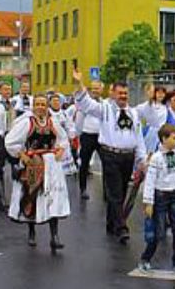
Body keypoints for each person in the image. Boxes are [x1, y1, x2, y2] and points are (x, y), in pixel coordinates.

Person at [73, 68, 146, 243]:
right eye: (120, 93)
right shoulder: (104, 108)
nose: (123, 96)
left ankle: (112, 223)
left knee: (120, 190)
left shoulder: (133, 113)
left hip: (127, 156)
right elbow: (86, 104)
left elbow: (139, 138)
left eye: (126, 93)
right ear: (112, 93)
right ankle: (122, 228)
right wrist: (79, 83)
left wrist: (141, 160)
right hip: (110, 155)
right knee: (115, 193)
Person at [5, 93, 70, 249]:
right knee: (32, 196)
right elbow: (10, 141)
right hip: (33, 164)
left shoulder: (53, 122)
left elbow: (64, 139)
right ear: (33, 107)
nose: (41, 107)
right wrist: (21, 154)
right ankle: (31, 232)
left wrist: (61, 150)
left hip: (52, 164)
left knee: (52, 198)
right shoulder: (27, 123)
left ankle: (54, 236)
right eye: (38, 104)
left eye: (43, 104)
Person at [136, 124, 175, 277]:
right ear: (164, 139)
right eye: (174, 138)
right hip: (160, 197)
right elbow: (150, 181)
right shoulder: (156, 158)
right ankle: (145, 259)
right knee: (158, 233)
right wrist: (148, 202)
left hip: (173, 196)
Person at [74, 80, 104, 200]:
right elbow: (79, 120)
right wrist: (78, 134)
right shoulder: (85, 104)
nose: (95, 90)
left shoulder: (105, 104)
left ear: (102, 89)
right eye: (93, 88)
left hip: (101, 137)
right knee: (84, 164)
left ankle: (107, 191)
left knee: (106, 164)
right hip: (87, 135)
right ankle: (83, 189)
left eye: (97, 88)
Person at [48, 93, 77, 176]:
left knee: (63, 172)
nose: (56, 103)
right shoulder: (47, 113)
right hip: (52, 143)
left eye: (58, 101)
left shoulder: (64, 114)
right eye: (54, 101)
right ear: (50, 102)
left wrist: (71, 137)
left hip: (63, 144)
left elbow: (70, 126)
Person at [135, 84, 168, 153]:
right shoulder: (148, 105)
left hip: (163, 133)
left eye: (162, 93)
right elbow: (136, 113)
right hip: (150, 133)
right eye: (158, 93)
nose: (160, 95)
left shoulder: (166, 107)